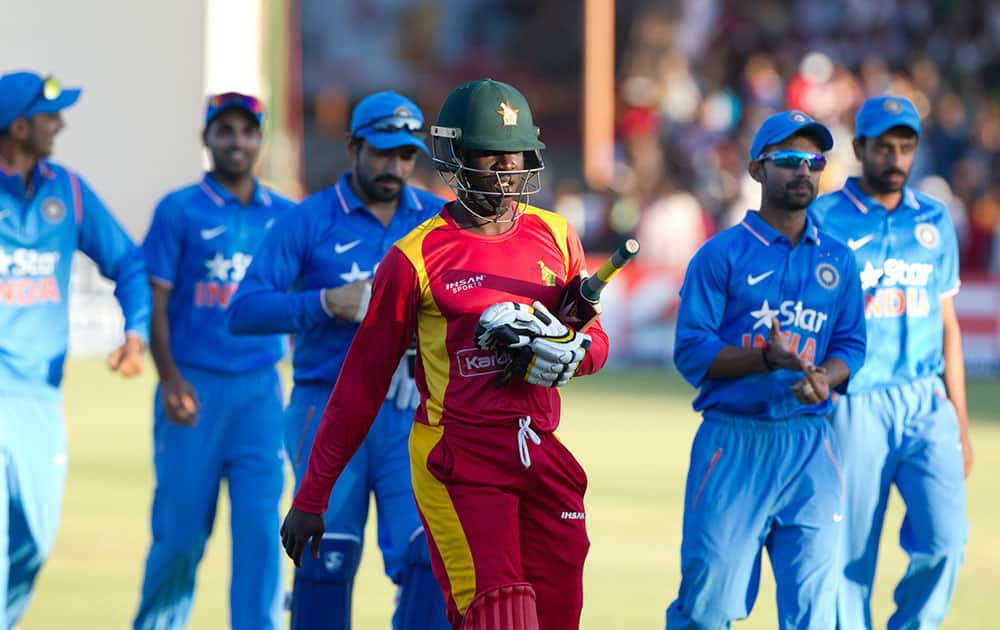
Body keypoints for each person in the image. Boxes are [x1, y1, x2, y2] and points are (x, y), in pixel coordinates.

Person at [279, 78, 610, 630]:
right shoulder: (413, 257)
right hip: (459, 456)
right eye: (491, 157)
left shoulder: (556, 234)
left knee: (557, 618)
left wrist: (573, 353)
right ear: (455, 157)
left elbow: (595, 339)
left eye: (516, 156)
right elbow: (360, 384)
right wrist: (312, 496)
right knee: (501, 618)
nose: (507, 172)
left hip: (541, 451)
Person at [227, 91, 449, 630]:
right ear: (352, 146)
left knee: (431, 557)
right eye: (381, 153)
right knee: (326, 560)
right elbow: (245, 311)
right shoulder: (310, 221)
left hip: (408, 411)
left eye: (406, 156)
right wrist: (326, 302)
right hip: (325, 409)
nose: (394, 167)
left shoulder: (438, 221)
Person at [666, 110, 867, 628]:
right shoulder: (719, 256)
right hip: (734, 444)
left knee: (816, 610)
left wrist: (828, 377)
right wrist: (763, 359)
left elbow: (851, 345)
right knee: (709, 606)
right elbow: (690, 353)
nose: (804, 171)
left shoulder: (839, 261)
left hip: (811, 444)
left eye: (814, 161)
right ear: (757, 171)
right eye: (789, 160)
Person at [133, 92, 294, 630]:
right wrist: (170, 376)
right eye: (224, 131)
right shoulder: (178, 209)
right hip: (192, 388)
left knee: (259, 534)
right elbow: (154, 301)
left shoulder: (286, 215)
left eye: (246, 131)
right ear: (206, 138)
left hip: (260, 392)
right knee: (179, 536)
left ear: (260, 139)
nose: (236, 141)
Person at [810, 96, 971, 629]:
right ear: (860, 148)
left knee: (946, 538)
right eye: (884, 146)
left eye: (906, 147)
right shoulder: (824, 215)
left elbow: (946, 323)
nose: (896, 158)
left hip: (926, 402)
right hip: (855, 401)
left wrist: (961, 424)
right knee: (850, 555)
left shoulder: (934, 218)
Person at [0, 70, 150, 627]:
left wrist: (134, 333)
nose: (60, 123)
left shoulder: (69, 190)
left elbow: (129, 262)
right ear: (19, 126)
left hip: (40, 400)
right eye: (49, 114)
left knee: (33, 546)